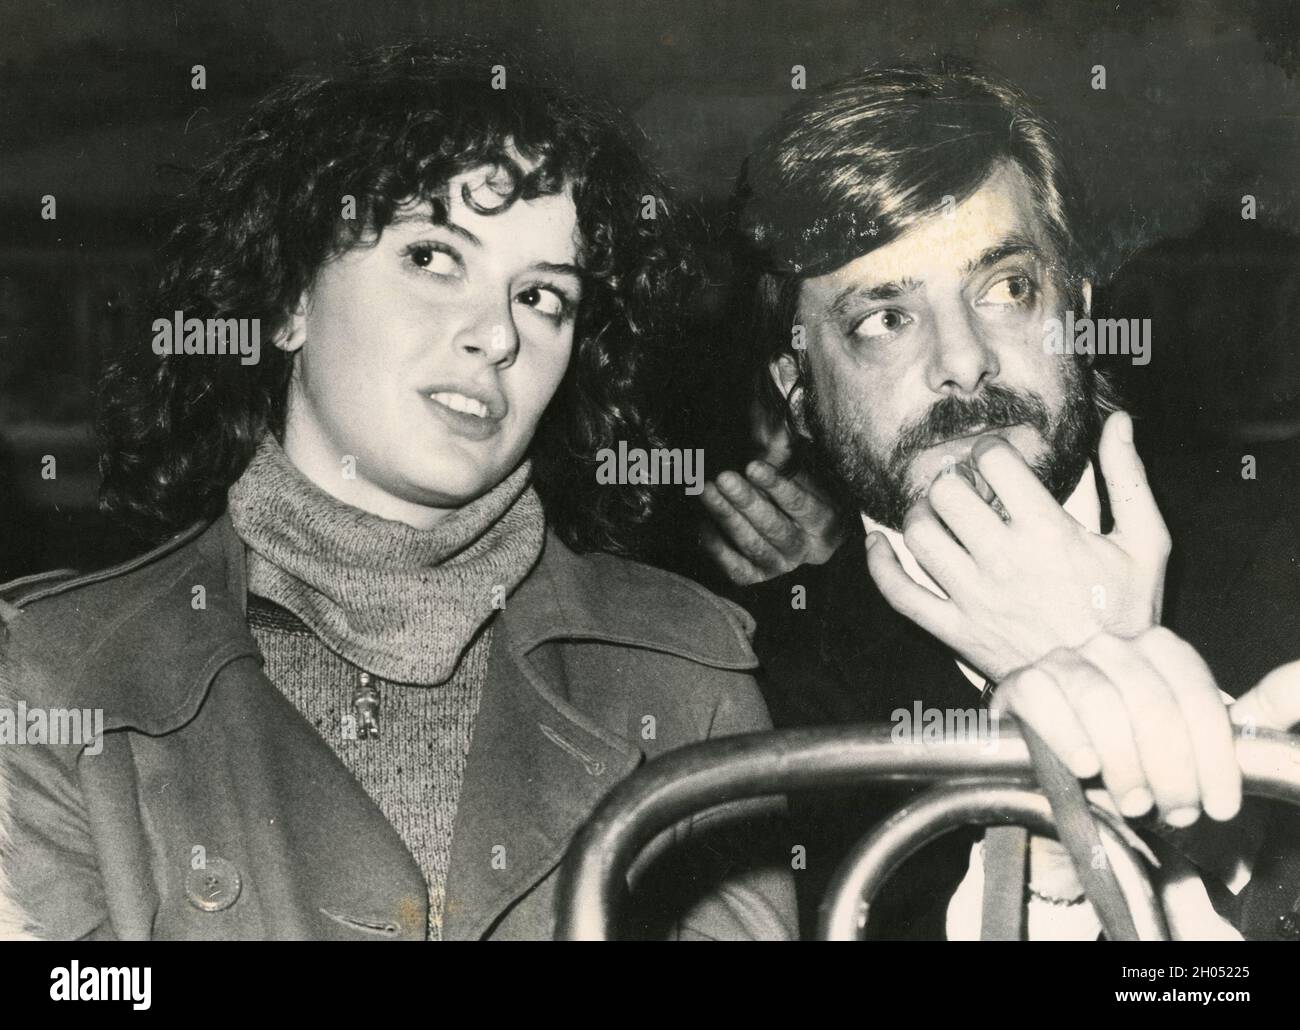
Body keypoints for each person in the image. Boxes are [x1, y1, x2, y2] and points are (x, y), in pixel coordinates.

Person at [0, 41, 795, 942]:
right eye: (432, 258)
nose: (495, 334)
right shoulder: (52, 677)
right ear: (291, 296)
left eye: (542, 298)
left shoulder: (687, 672)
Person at [706, 62, 1300, 939]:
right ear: (799, 395)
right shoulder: (748, 692)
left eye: (1006, 288)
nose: (964, 359)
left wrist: (1099, 657)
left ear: (1080, 311)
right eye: (883, 318)